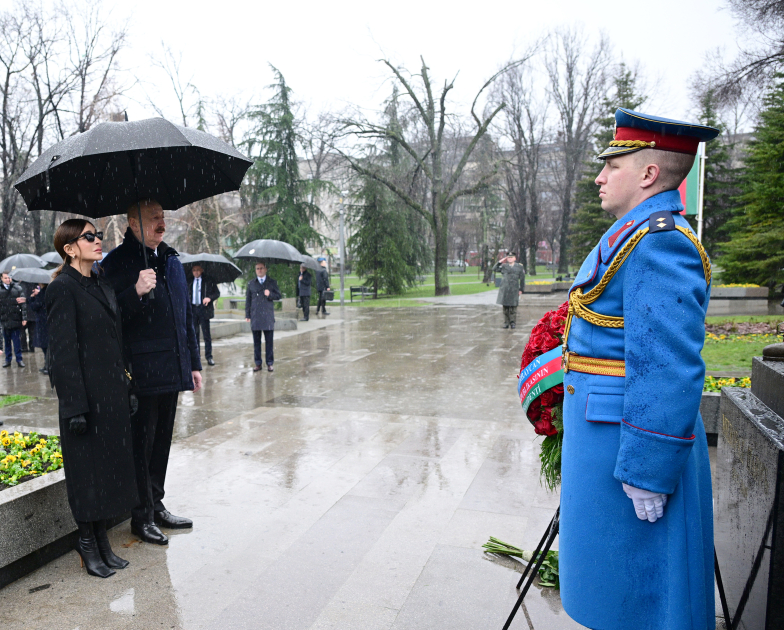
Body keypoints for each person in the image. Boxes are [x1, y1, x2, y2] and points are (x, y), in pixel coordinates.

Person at [558, 109, 719, 630]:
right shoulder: (634, 233)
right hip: (606, 434)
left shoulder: (660, 241)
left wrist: (649, 467)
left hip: (632, 445)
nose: (600, 176)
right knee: (612, 590)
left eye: (613, 165)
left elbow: (668, 365)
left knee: (641, 597)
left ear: (649, 175)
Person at [102, 199, 202, 546]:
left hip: (172, 367)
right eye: (153, 219)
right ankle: (140, 516)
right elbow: (106, 320)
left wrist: (193, 363)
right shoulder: (115, 264)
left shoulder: (172, 260)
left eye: (162, 217)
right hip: (141, 371)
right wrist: (135, 292)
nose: (161, 224)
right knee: (140, 446)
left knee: (161, 443)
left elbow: (184, 316)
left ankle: (156, 503)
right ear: (132, 223)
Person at [46, 219, 138, 578]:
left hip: (110, 395)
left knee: (107, 472)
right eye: (89, 237)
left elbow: (114, 342)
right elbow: (62, 355)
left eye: (98, 235)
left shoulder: (99, 282)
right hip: (83, 402)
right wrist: (75, 408)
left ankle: (102, 541)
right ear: (69, 248)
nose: (98, 240)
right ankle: (87, 544)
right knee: (87, 476)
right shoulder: (62, 289)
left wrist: (126, 387)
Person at [245, 261, 280, 372]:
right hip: (255, 316)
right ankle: (258, 363)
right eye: (257, 268)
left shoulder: (272, 282)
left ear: (265, 269)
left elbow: (278, 296)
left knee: (269, 341)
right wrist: (247, 314)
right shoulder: (251, 284)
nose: (259, 270)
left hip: (267, 316)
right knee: (256, 342)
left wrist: (269, 294)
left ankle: (269, 363)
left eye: (261, 268)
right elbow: (248, 300)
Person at [189, 264, 220, 367]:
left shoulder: (208, 280)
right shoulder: (189, 281)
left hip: (204, 310)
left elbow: (217, 293)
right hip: (193, 309)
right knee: (194, 335)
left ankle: (209, 357)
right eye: (194, 270)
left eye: (198, 270)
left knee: (206, 335)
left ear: (202, 270)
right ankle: (196, 357)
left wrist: (209, 298)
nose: (196, 272)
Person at [0, 272, 27, 367]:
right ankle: (8, 360)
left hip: (15, 319)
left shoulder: (17, 288)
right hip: (5, 320)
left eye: (9, 277)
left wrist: (24, 318)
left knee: (17, 342)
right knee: (7, 343)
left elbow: (23, 305)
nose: (8, 279)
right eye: (6, 278)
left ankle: (19, 359)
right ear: (1, 278)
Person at [493, 252, 525, 329]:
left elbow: (522, 279)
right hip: (505, 289)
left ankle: (513, 322)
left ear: (515, 258)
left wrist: (521, 289)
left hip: (514, 289)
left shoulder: (519, 267)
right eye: (508, 257)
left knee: (513, 307)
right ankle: (506, 322)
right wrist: (500, 261)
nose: (510, 259)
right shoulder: (504, 266)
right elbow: (494, 269)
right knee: (505, 308)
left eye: (511, 257)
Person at [27, 283, 49, 375]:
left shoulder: (42, 294)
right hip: (46, 321)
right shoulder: (46, 292)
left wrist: (31, 298)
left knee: (46, 346)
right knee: (47, 346)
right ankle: (47, 365)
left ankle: (48, 366)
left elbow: (34, 306)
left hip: (43, 322)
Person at [20, 282, 36, 353]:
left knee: (22, 332)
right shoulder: (35, 286)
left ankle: (24, 348)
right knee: (32, 332)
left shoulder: (20, 286)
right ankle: (32, 347)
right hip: (32, 313)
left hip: (23, 313)